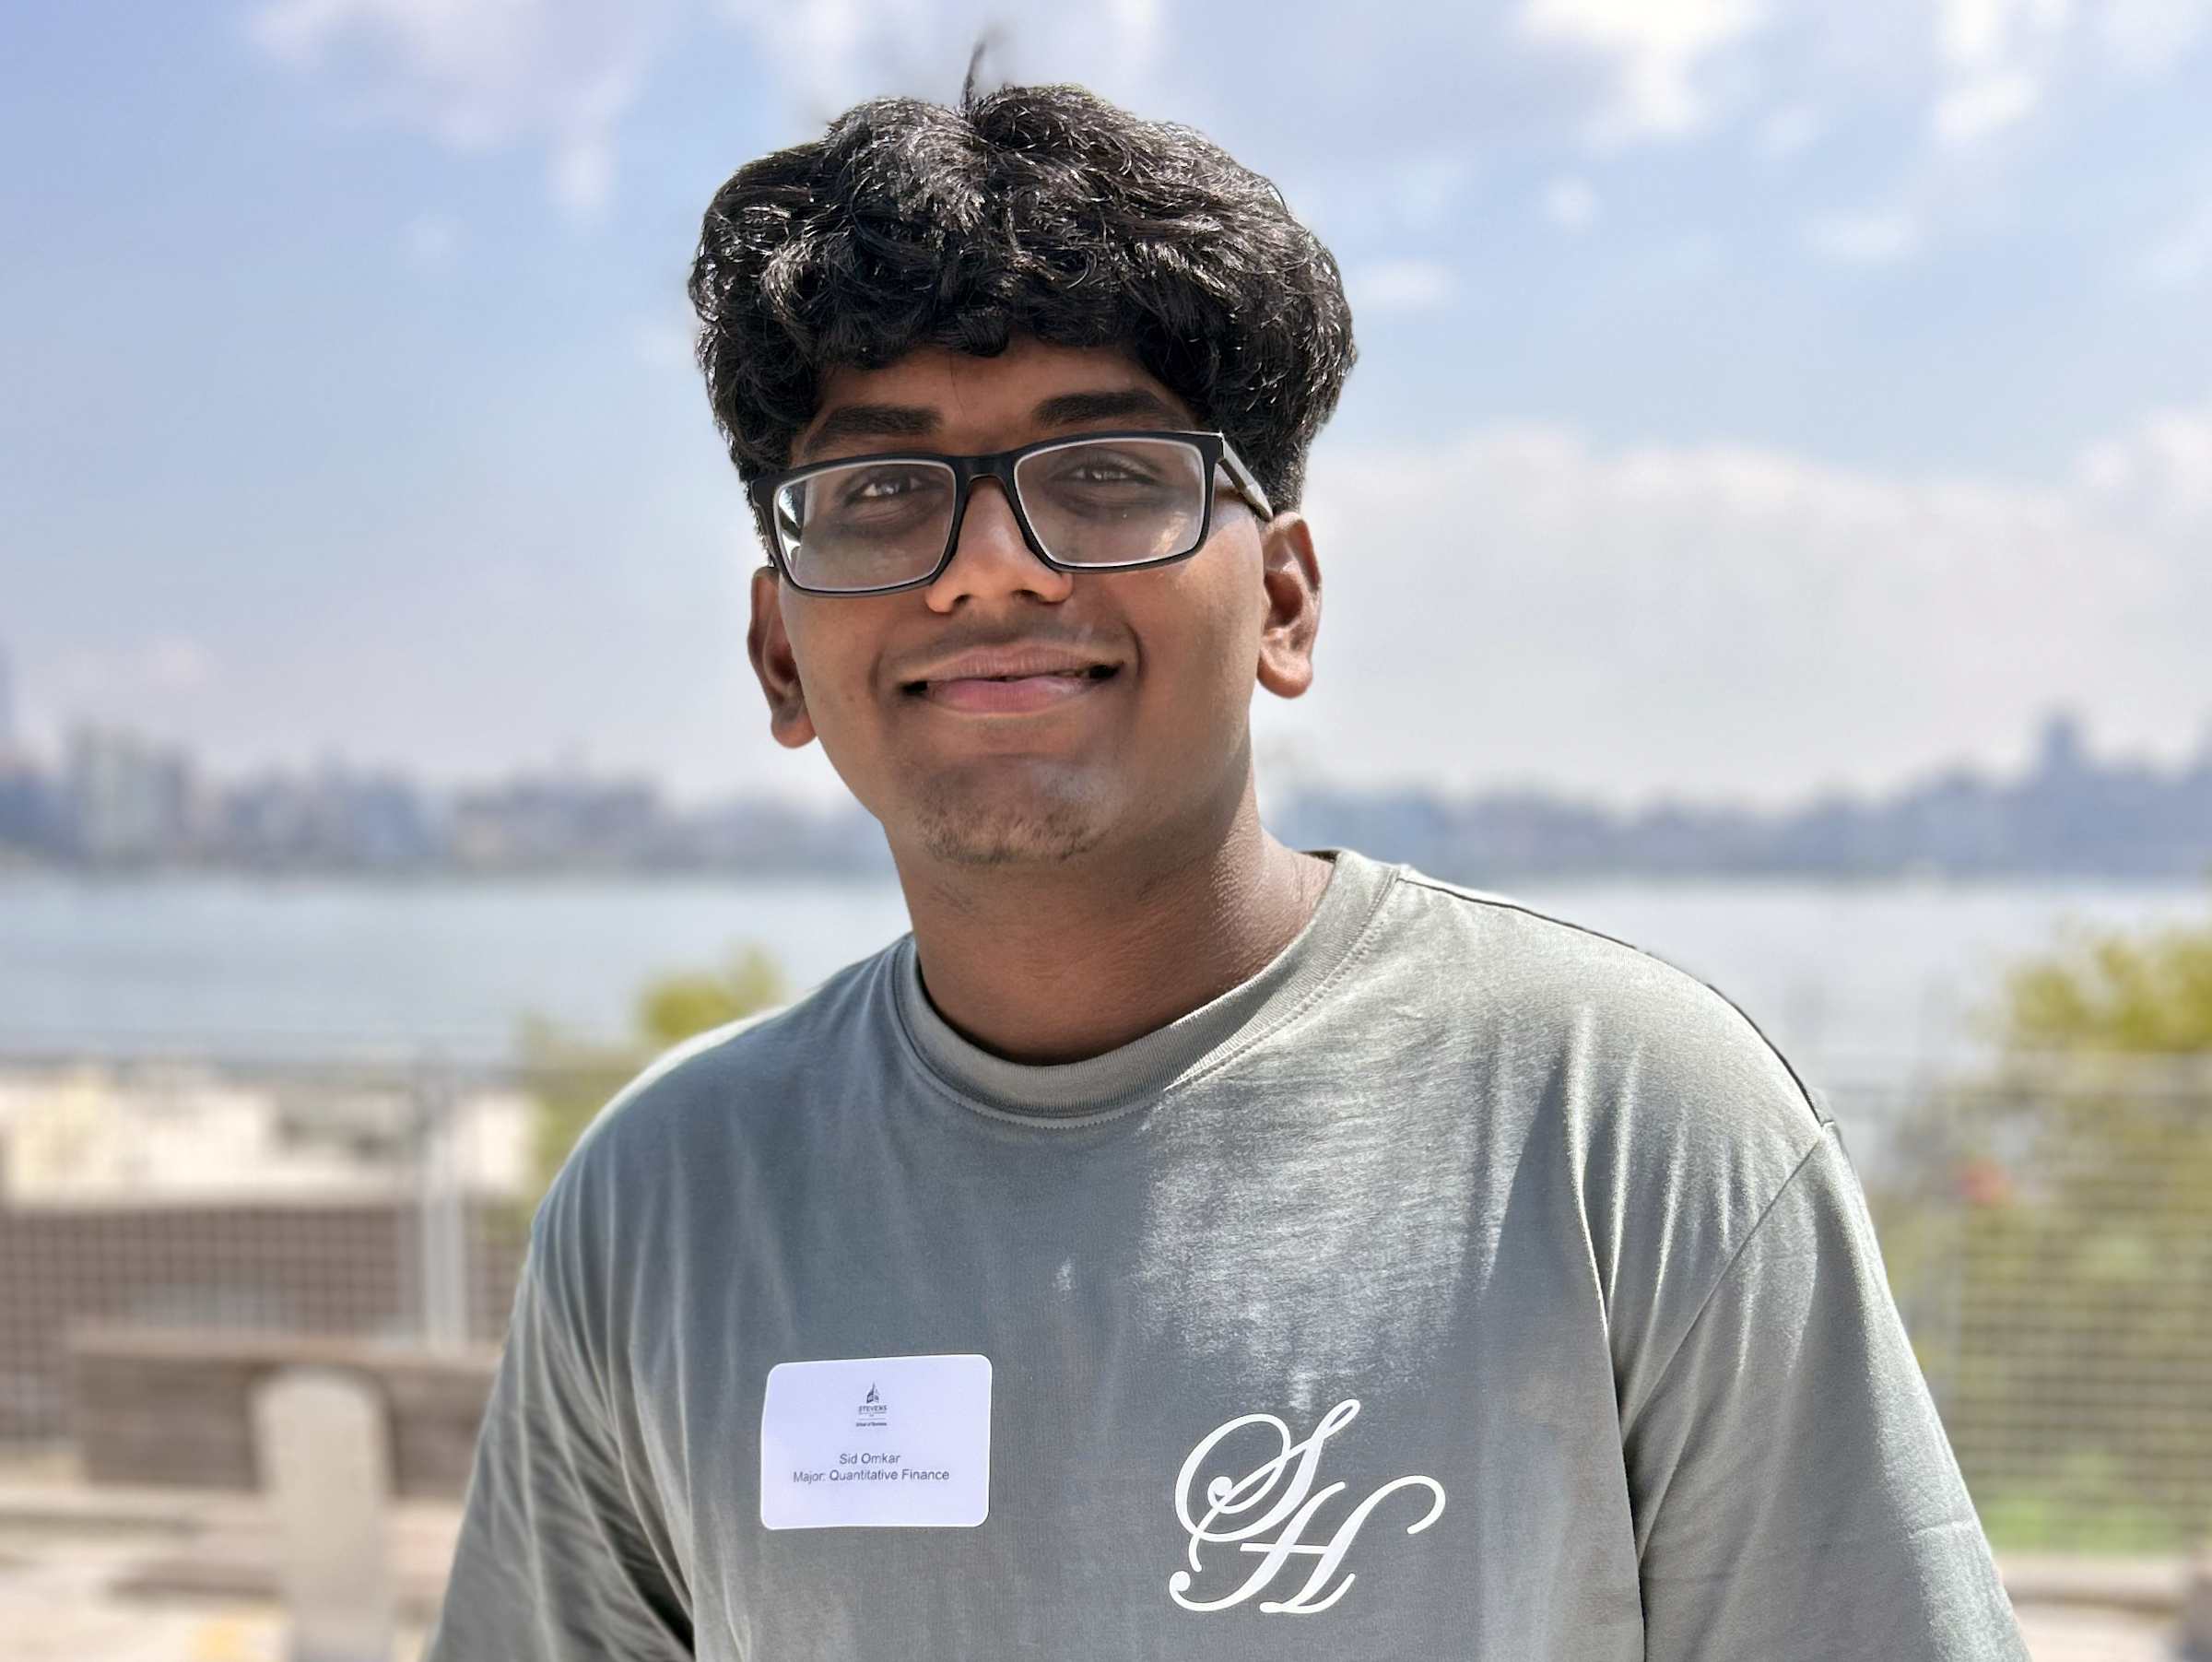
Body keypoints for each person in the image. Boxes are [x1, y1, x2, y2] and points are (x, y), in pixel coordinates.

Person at [427, 79, 2027, 1662]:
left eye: (1105, 472)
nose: (991, 566)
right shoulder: (666, 1202)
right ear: (781, 649)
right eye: (882, 491)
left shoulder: (1624, 1126)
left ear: (1284, 601)